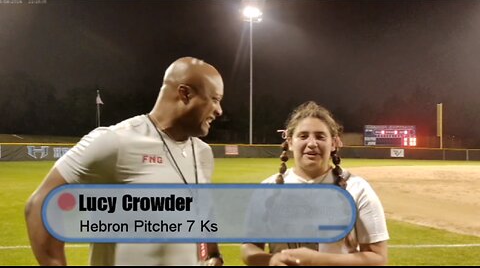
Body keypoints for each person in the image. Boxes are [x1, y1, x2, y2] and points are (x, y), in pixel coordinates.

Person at [25, 57, 225, 266]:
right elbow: (39, 206)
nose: (219, 110)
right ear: (185, 93)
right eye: (214, 99)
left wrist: (213, 254)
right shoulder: (115, 142)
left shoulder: (203, 153)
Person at [241, 101, 389, 266]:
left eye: (320, 136)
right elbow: (250, 248)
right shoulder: (267, 189)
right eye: (303, 136)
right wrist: (270, 260)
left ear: (333, 143)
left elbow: (378, 259)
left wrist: (316, 261)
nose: (312, 143)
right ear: (290, 142)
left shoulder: (357, 189)